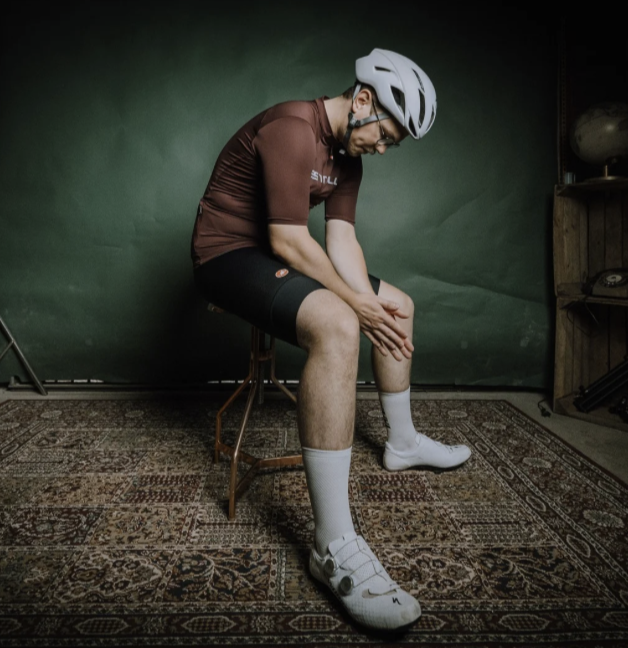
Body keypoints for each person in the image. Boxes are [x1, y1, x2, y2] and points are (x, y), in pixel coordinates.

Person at [191, 48, 471, 632]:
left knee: (397, 305)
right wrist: (354, 307)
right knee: (340, 324)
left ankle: (402, 442)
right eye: (385, 135)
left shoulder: (349, 161)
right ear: (363, 99)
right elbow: (290, 241)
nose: (384, 148)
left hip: (278, 255)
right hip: (228, 255)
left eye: (393, 143)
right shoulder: (292, 128)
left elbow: (342, 242)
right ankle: (332, 544)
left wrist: (371, 302)